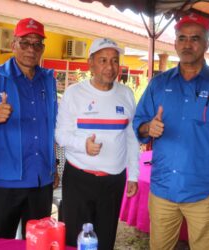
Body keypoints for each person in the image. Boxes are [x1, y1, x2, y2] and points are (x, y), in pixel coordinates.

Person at [133, 13, 209, 249]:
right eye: (182, 38)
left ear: (206, 44)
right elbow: (139, 122)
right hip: (163, 189)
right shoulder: (159, 84)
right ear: (175, 43)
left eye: (195, 38)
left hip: (204, 192)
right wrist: (147, 127)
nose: (187, 44)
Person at [0, 17, 58, 239]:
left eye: (37, 44)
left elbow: (51, 126)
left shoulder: (48, 80)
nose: (31, 49)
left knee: (37, 241)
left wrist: (55, 166)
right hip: (4, 179)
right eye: (25, 42)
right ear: (13, 44)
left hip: (41, 178)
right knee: (1, 241)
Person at [55, 38, 140, 250]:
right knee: (75, 240)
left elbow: (131, 138)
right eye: (103, 60)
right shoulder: (74, 93)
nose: (109, 67)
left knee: (106, 238)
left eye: (114, 60)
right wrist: (83, 145)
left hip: (114, 181)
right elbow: (61, 135)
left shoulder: (126, 94)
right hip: (79, 180)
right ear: (90, 63)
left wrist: (134, 175)